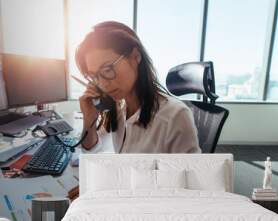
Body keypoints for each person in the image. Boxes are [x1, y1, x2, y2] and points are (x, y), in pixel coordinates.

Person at [76, 21, 200, 153]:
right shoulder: (119, 108)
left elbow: (189, 173)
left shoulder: (175, 117)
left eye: (107, 69)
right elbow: (90, 148)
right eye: (94, 76)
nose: (103, 84)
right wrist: (89, 119)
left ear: (135, 57)